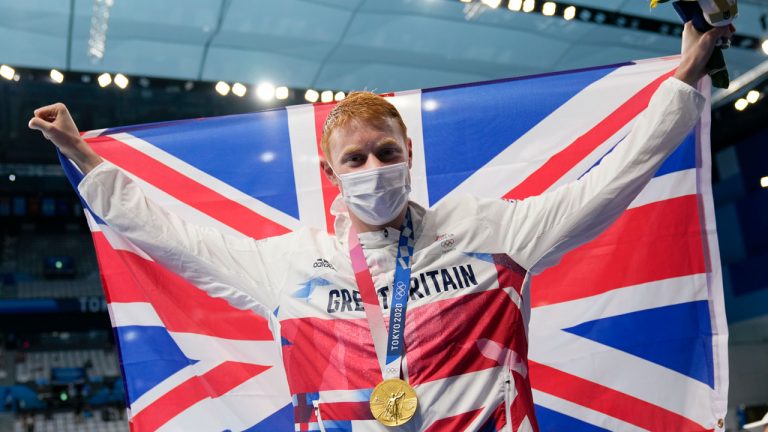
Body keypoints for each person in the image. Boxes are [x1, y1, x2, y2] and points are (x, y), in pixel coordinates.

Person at [28, 23, 731, 431]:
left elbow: (607, 187)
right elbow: (172, 237)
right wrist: (85, 158)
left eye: (386, 153)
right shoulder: (287, 264)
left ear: (410, 157)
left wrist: (680, 85)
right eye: (355, 158)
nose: (373, 168)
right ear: (332, 175)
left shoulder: (488, 232)